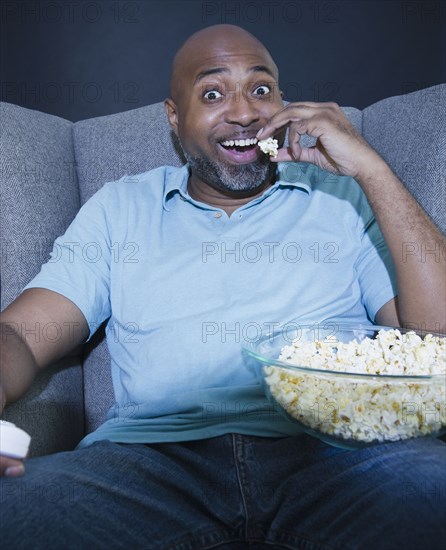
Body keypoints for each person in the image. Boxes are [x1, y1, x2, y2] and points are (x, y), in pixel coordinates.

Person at [1, 24, 445, 549]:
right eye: (212, 94)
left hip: (343, 451)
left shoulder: (342, 196)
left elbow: (434, 337)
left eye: (261, 90)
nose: (243, 112)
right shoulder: (119, 208)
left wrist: (371, 170)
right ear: (174, 117)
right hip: (148, 464)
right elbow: (24, 334)